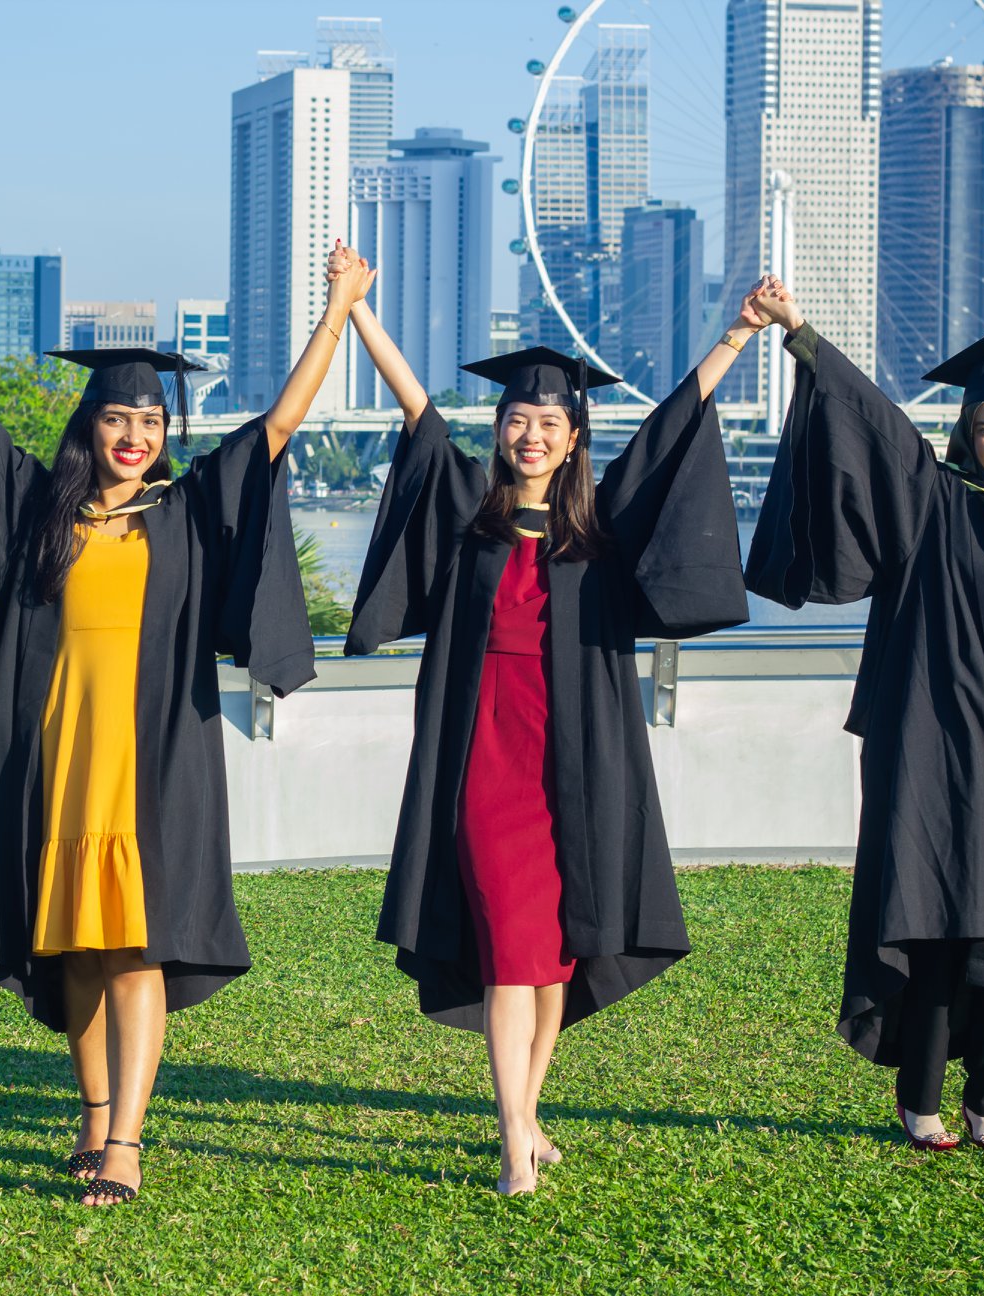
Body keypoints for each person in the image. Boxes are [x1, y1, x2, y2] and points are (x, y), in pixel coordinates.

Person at [0, 244, 376, 1206]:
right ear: (91, 422)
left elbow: (277, 427)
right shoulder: (44, 508)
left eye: (151, 420)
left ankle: (127, 1141)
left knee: (137, 945)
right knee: (77, 946)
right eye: (117, 417)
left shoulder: (188, 508)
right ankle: (90, 1114)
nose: (135, 434)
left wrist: (339, 308)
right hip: (60, 749)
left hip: (154, 754)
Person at [339, 242, 760, 1194]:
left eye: (551, 421)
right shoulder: (468, 516)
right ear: (500, 431)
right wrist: (358, 311)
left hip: (576, 761)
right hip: (485, 760)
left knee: (556, 949)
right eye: (519, 419)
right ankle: (512, 1136)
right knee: (507, 948)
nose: (533, 434)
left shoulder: (596, 533)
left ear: (574, 438)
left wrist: (735, 336)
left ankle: (532, 1118)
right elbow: (419, 415)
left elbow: (670, 434)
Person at [743, 277, 984, 1151]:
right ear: (965, 437)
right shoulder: (939, 506)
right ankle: (925, 1099)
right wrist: (802, 336)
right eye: (983, 429)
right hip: (936, 761)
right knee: (939, 928)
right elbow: (876, 427)